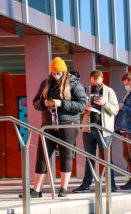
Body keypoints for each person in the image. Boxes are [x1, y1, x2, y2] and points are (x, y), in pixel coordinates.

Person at [22, 57, 87, 198]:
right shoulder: (46, 83)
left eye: (57, 72)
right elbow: (35, 102)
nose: (54, 75)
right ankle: (36, 190)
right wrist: (43, 103)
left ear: (63, 71)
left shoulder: (75, 84)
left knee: (66, 155)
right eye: (52, 72)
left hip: (68, 124)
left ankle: (63, 188)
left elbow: (82, 106)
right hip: (48, 124)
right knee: (42, 156)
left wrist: (61, 103)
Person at [73, 70, 119, 193]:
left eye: (98, 84)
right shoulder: (86, 90)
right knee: (89, 157)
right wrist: (85, 108)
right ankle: (86, 185)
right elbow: (78, 108)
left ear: (102, 80)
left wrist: (105, 103)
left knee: (106, 157)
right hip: (88, 128)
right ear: (90, 80)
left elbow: (115, 110)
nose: (95, 87)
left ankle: (111, 184)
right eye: (93, 84)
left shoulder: (109, 91)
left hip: (104, 130)